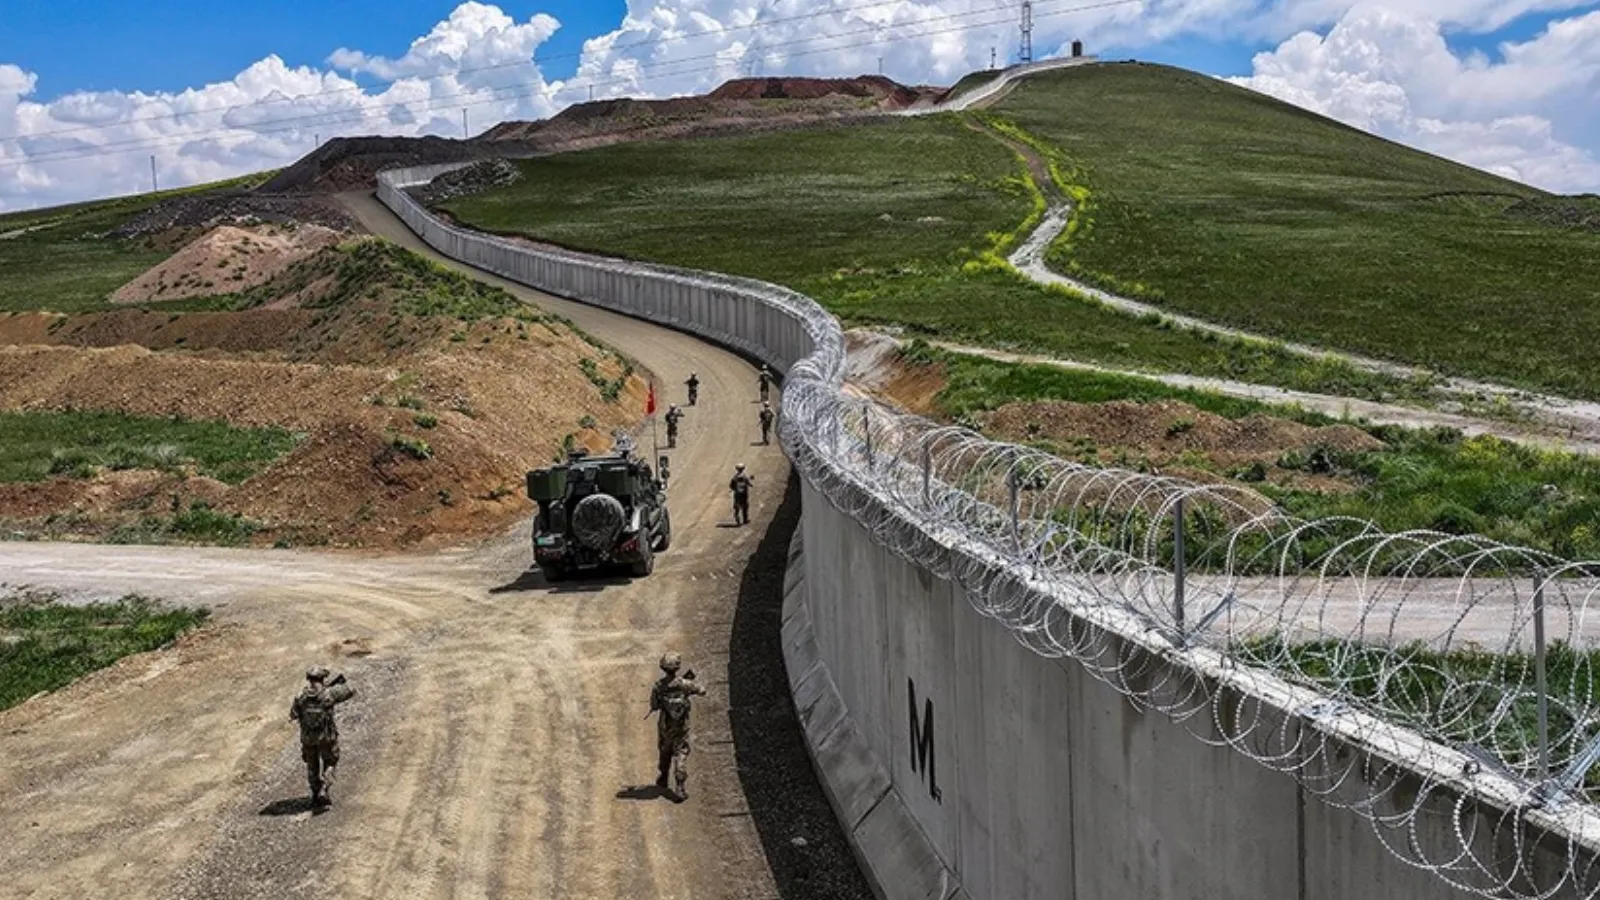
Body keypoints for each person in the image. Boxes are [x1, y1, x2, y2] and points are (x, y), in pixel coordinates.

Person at [289, 666, 356, 809]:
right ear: (322, 678)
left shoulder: (301, 695)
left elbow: (293, 715)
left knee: (312, 767)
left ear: (308, 679)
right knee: (331, 761)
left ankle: (314, 795)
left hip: (308, 739)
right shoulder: (328, 694)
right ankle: (325, 789)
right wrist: (338, 686)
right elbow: (351, 690)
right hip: (326, 738)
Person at [649, 652, 707, 800]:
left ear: (662, 667)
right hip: (681, 726)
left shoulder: (658, 686)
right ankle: (680, 787)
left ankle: (663, 777)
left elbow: (654, 706)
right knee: (681, 754)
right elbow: (702, 691)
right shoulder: (684, 684)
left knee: (664, 750)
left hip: (665, 726)